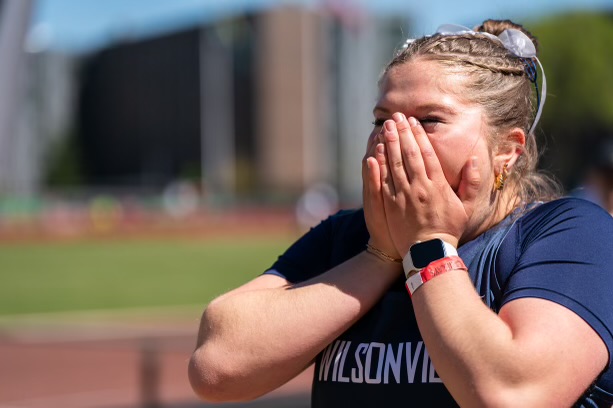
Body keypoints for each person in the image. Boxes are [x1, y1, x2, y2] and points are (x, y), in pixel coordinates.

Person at [188, 19, 613, 407]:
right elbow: (216, 366)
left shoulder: (571, 232)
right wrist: (381, 257)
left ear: (507, 149)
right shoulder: (348, 237)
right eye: (381, 119)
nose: (394, 136)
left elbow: (512, 394)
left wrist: (428, 247)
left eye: (429, 120)